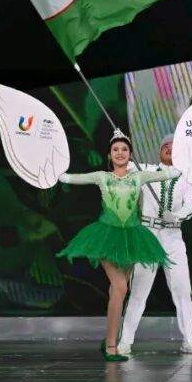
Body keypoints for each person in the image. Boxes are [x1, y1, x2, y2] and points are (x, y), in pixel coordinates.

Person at [57, 129, 177, 362]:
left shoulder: (138, 177)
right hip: (107, 236)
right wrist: (54, 173)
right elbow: (70, 178)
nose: (120, 153)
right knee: (120, 287)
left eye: (124, 149)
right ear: (109, 155)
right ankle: (112, 346)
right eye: (115, 149)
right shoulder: (102, 176)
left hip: (131, 238)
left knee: (118, 290)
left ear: (130, 155)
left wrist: (191, 163)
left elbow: (170, 173)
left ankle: (109, 338)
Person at [118, 134, 192, 356]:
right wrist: (122, 143)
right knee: (139, 289)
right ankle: (125, 341)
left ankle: (188, 339)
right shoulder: (145, 170)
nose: (169, 148)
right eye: (165, 146)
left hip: (173, 235)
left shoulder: (186, 177)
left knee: (182, 288)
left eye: (173, 146)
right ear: (159, 152)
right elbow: (122, 163)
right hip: (149, 233)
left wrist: (176, 216)